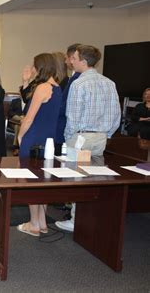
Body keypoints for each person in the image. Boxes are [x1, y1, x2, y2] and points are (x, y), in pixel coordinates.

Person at [55, 44, 121, 232]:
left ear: (83, 61)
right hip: (100, 137)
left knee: (77, 180)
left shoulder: (79, 84)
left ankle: (76, 220)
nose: (71, 61)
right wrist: (106, 134)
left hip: (80, 137)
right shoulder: (109, 82)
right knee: (95, 178)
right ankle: (91, 219)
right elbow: (116, 115)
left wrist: (69, 138)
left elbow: (73, 117)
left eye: (74, 58)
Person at [15, 53, 62, 236]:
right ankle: (42, 222)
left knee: (31, 182)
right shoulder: (57, 87)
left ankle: (34, 224)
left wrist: (20, 136)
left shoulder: (42, 87)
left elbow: (29, 118)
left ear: (40, 67)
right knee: (43, 181)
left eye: (34, 66)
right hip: (48, 141)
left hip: (34, 139)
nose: (32, 69)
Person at [55, 43, 82, 156]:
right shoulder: (73, 78)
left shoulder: (76, 79)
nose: (65, 62)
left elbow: (65, 106)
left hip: (65, 128)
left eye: (66, 58)